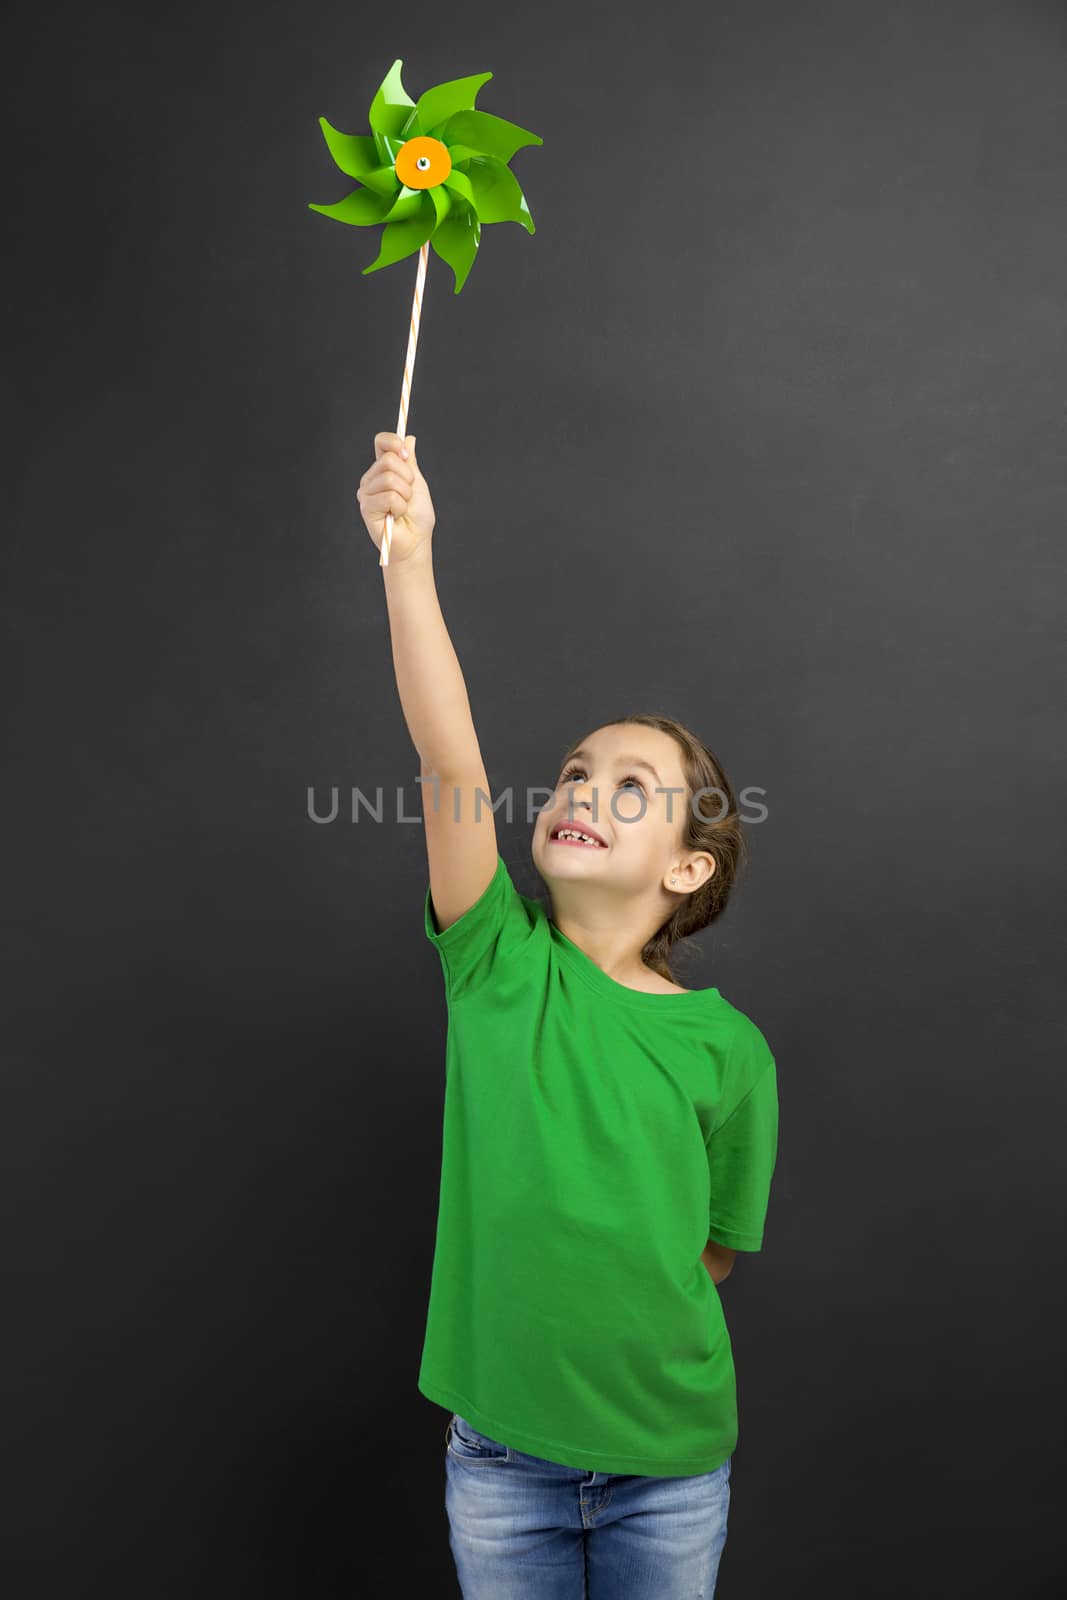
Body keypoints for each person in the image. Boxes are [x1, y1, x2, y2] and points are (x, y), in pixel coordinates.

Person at [357, 431, 780, 1598]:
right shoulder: (497, 963)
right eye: (577, 768)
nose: (583, 788)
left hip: (671, 1469)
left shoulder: (729, 1052)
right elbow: (449, 757)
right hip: (500, 1466)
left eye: (627, 788)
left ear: (686, 870)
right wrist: (408, 559)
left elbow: (706, 1251)